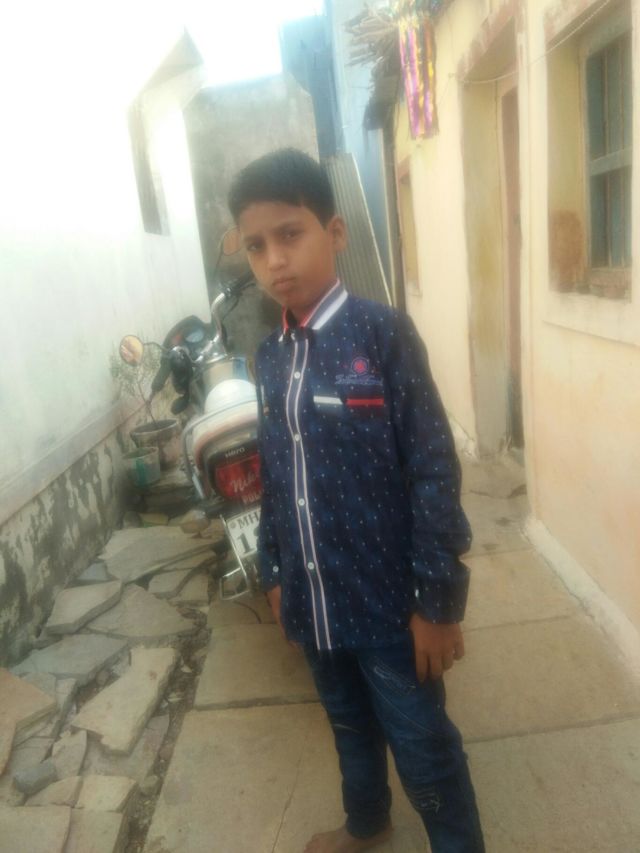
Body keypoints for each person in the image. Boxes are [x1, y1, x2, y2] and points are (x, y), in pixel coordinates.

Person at [228, 148, 485, 853]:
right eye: (257, 246)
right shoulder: (270, 357)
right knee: (348, 727)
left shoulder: (382, 334)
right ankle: (367, 823)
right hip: (314, 602)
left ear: (335, 232)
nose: (275, 260)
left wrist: (438, 602)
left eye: (290, 234)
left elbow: (432, 468)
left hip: (390, 609)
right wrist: (275, 573)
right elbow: (277, 475)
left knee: (425, 750)